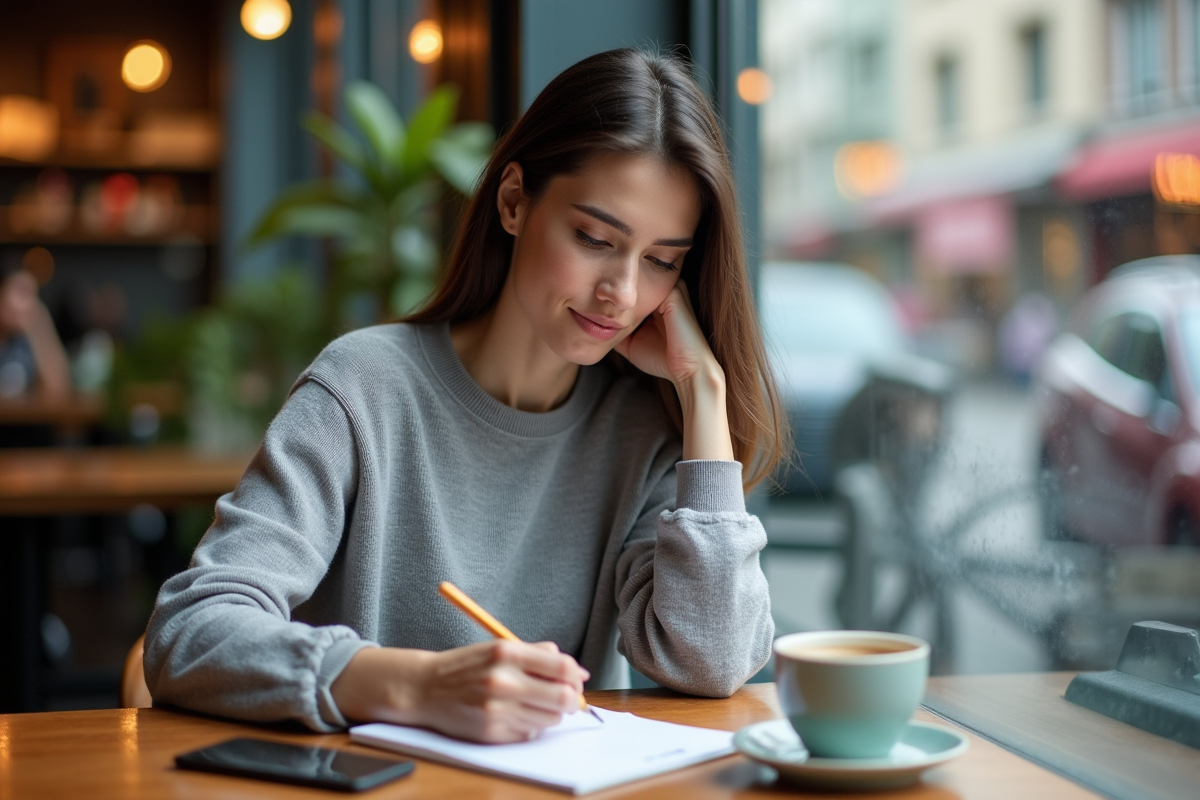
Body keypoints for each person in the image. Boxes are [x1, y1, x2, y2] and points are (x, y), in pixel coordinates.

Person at [144, 49, 787, 743]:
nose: (623, 293)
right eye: (595, 238)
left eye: (662, 261)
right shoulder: (364, 388)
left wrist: (704, 391)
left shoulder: (645, 430)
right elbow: (191, 630)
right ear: (514, 201)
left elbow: (714, 662)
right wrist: (415, 686)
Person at [0, 261, 69, 401]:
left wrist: (41, 322)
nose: (29, 304)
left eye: (33, 295)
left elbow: (58, 388)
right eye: (22, 293)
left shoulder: (24, 341)